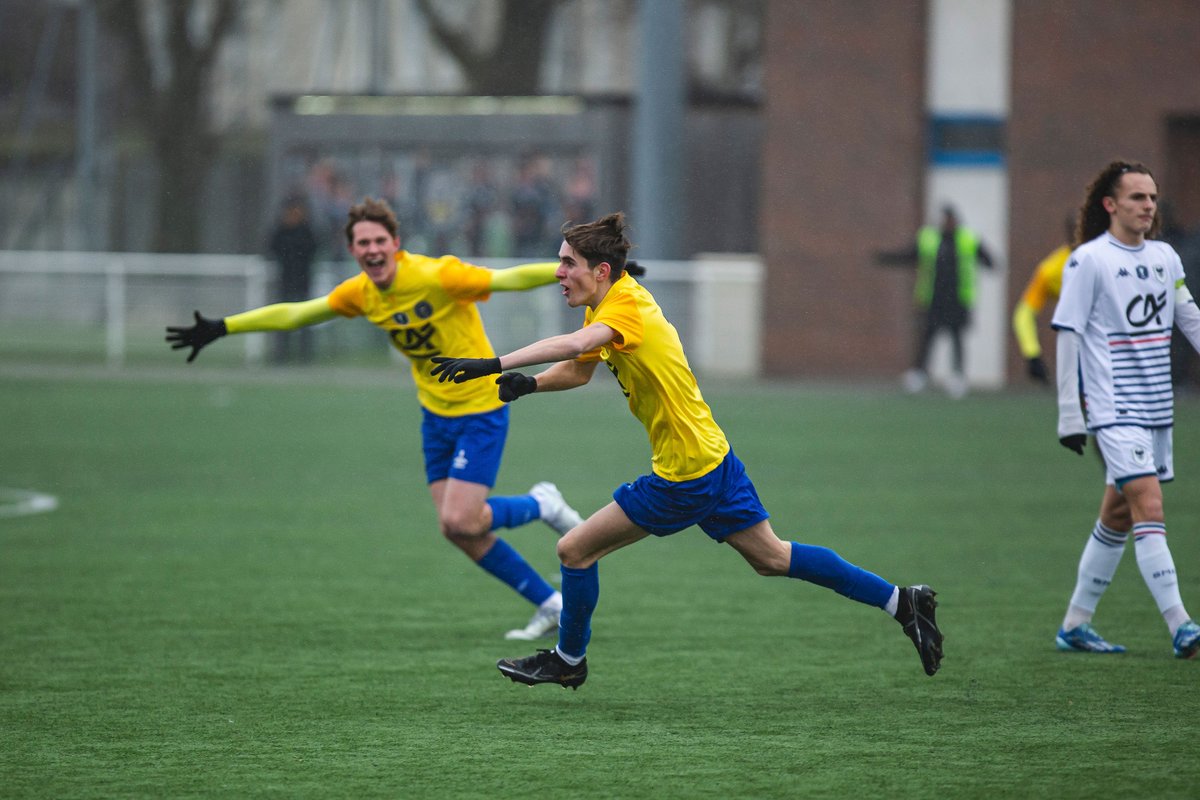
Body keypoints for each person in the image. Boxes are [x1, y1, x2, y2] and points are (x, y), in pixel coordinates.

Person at [430, 212, 944, 688]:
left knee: (574, 549)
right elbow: (579, 367)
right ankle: (902, 602)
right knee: (772, 556)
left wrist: (492, 363)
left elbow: (573, 347)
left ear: (601, 270)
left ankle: (568, 661)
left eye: (567, 263)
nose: (558, 272)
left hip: (684, 475)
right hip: (714, 457)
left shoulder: (624, 306)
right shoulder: (609, 303)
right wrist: (532, 386)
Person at [166, 196, 586, 641]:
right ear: (353, 251)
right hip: (434, 416)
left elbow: (508, 279)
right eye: (362, 242)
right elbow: (297, 313)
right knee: (455, 528)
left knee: (463, 520)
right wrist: (223, 327)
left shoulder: (435, 274)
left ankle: (543, 504)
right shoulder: (362, 294)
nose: (371, 249)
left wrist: (568, 271)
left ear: (396, 244)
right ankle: (551, 603)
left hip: (480, 409)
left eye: (379, 240)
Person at [1050, 160, 1200, 659]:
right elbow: (1068, 336)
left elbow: (1189, 317)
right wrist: (1070, 414)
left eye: (1153, 198)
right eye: (1137, 197)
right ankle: (1182, 626)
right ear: (1111, 205)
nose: (1148, 206)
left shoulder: (1165, 258)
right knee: (1149, 506)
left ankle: (1075, 623)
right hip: (1112, 409)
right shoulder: (1088, 261)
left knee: (1118, 513)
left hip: (1157, 408)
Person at [878, 205, 995, 398]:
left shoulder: (968, 239)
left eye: (949, 219)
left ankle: (958, 377)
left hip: (958, 299)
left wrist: (989, 262)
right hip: (934, 299)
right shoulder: (929, 238)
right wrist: (885, 258)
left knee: (957, 338)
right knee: (927, 337)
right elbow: (909, 255)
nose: (946, 223)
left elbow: (987, 258)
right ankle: (919, 374)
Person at [1012, 215, 1075, 383]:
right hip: (1078, 348)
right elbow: (1024, 313)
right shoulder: (1051, 271)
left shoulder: (1111, 260)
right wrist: (1032, 354)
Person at [266, 195, 320, 363]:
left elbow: (314, 249)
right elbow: (272, 248)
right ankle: (281, 355)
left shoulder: (306, 231)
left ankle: (305, 356)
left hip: (303, 281)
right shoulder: (281, 231)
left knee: (304, 319)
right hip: (285, 280)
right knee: (283, 319)